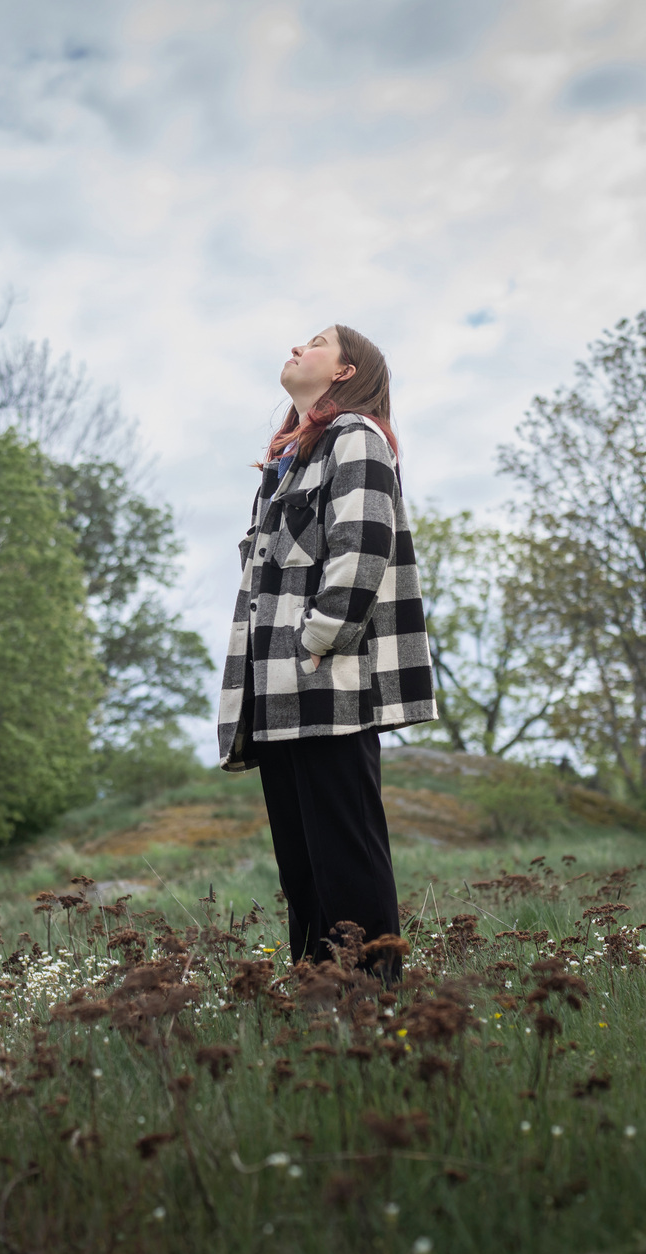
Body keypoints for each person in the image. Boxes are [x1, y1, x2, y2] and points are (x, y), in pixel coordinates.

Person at [215, 324, 436, 984]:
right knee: (304, 867)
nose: (294, 348)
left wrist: (319, 642)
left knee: (345, 855)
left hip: (328, 685)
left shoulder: (357, 437)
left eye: (313, 342)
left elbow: (363, 548)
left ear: (344, 372)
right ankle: (320, 1003)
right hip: (277, 695)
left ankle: (373, 1002)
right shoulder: (288, 464)